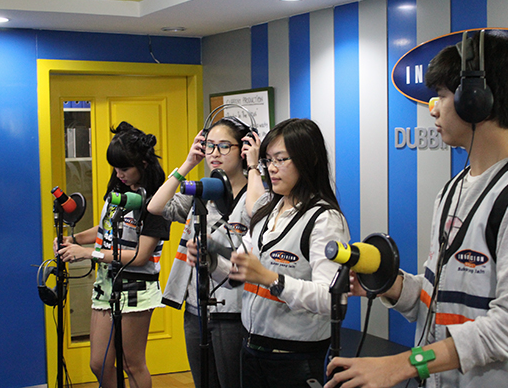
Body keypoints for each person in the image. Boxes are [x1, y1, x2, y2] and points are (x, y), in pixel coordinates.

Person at [325, 31, 508, 387]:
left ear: (475, 99)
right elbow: (436, 301)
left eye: (442, 96)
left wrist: (406, 363)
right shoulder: (453, 190)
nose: (433, 108)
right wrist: (391, 286)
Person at [191, 118, 351, 387]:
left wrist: (270, 278)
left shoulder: (324, 219)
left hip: (295, 358)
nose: (272, 168)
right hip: (252, 349)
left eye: (281, 159)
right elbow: (237, 276)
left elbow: (332, 300)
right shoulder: (267, 212)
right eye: (267, 160)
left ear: (308, 160)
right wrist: (211, 261)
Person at [147, 116, 264, 388]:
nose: (214, 153)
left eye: (224, 146)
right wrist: (188, 163)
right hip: (196, 308)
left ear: (244, 148)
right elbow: (156, 206)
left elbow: (258, 214)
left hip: (234, 311)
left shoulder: (255, 193)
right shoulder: (202, 190)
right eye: (209, 146)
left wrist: (254, 167)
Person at [55, 122, 171, 388]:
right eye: (115, 168)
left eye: (124, 169)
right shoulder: (118, 188)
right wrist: (74, 239)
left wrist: (88, 253)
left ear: (143, 163)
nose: (119, 174)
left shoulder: (156, 201)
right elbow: (105, 227)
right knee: (99, 363)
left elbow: (140, 256)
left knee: (132, 364)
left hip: (136, 287)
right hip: (106, 284)